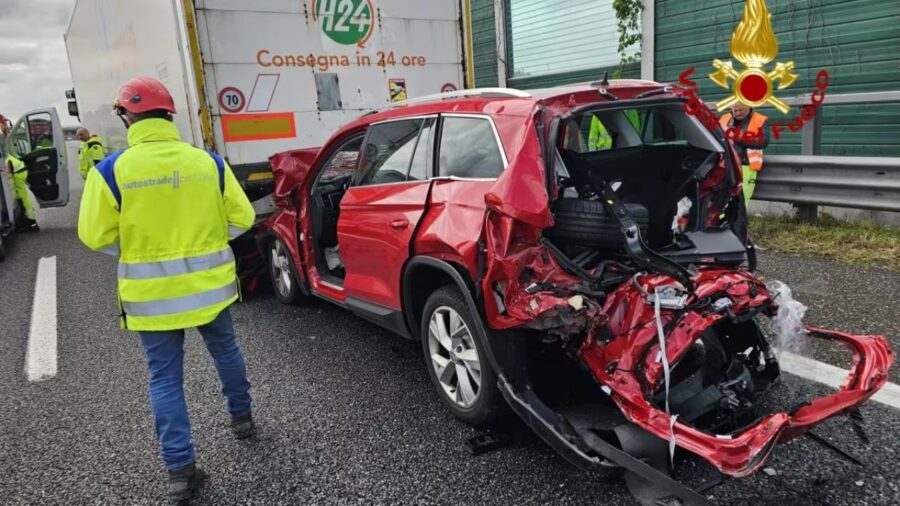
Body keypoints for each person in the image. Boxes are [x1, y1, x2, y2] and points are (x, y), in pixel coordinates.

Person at [77, 76, 256, 505]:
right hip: (210, 289)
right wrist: (211, 241)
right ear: (170, 116)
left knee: (164, 378)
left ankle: (180, 471)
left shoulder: (111, 170)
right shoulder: (207, 163)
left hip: (152, 298)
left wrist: (135, 249)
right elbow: (243, 217)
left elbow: (93, 235)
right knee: (226, 352)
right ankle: (243, 420)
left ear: (127, 116)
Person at [720, 103, 770, 204]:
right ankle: (723, 219)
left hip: (746, 166)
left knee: (743, 199)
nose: (738, 113)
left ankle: (739, 219)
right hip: (726, 165)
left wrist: (741, 138)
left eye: (741, 110)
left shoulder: (760, 119)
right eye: (735, 111)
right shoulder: (725, 118)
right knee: (722, 198)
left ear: (749, 107)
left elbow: (763, 142)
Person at [0, 121, 39, 231]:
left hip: (18, 173)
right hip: (19, 170)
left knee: (22, 197)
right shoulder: (5, 151)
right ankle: (26, 220)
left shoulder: (4, 153)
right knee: (20, 197)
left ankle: (31, 222)